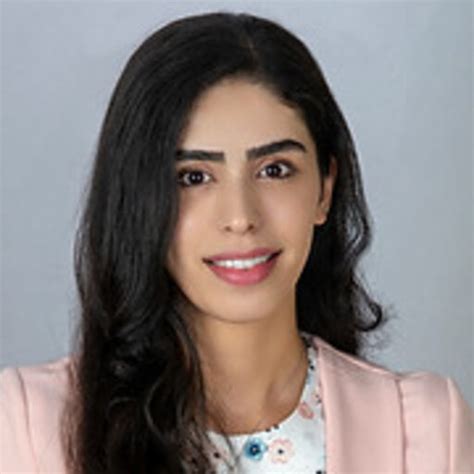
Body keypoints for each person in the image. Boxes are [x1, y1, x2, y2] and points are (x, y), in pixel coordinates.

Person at [1, 11, 473, 474]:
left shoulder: (425, 429)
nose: (241, 217)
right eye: (193, 177)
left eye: (275, 170)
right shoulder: (28, 427)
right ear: (138, 200)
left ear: (324, 189)